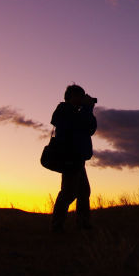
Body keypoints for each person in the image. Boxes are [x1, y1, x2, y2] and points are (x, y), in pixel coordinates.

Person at [50, 84, 97, 232]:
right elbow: (78, 125)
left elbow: (90, 129)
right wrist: (87, 109)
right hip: (69, 157)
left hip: (77, 157)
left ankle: (83, 224)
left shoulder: (78, 112)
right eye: (80, 95)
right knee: (69, 193)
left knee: (83, 192)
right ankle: (57, 226)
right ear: (71, 97)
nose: (83, 98)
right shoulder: (64, 111)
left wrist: (88, 109)